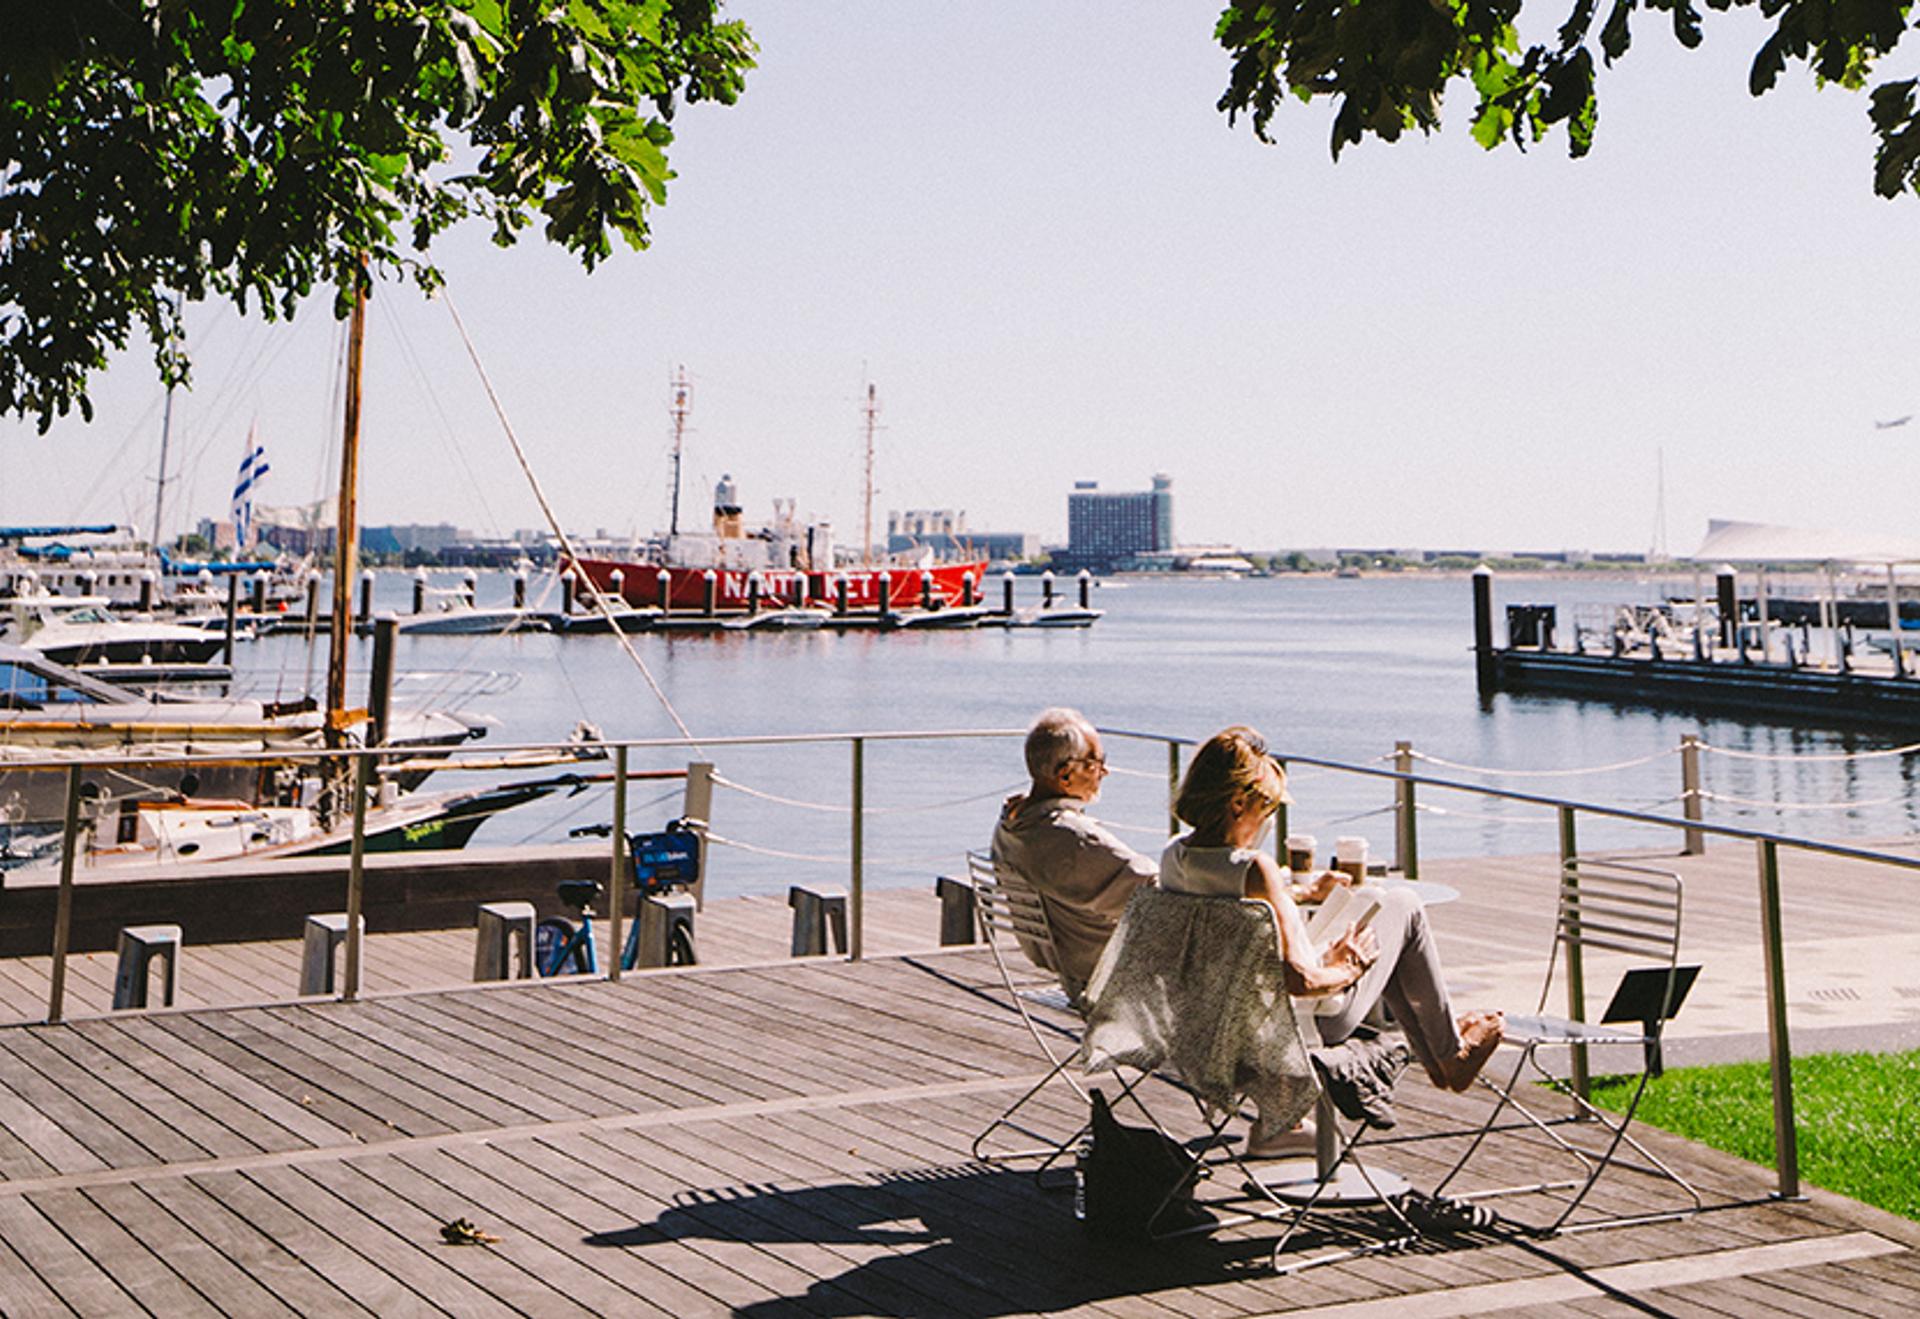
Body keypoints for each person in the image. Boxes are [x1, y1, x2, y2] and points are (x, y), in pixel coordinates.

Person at [1161, 726, 1504, 1151]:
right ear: (1237, 804)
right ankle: (1449, 1056)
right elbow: (1300, 982)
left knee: (1376, 911)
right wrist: (1348, 966)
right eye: (1266, 808)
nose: (1268, 820)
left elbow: (1226, 901)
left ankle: (1441, 1056)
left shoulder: (1175, 857)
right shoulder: (1255, 870)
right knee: (1404, 905)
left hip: (1214, 1024)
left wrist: (1301, 893)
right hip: (1305, 1021)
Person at [991, 708, 1156, 1001]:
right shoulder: (1072, 840)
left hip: (1071, 970)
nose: (1104, 772)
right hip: (1112, 979)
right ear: (1065, 774)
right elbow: (1157, 893)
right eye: (1096, 763)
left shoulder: (1011, 825)